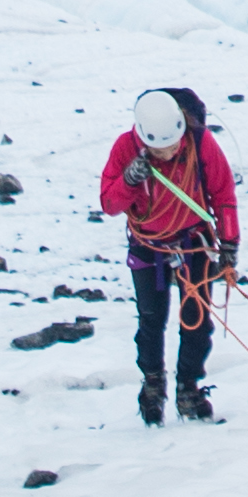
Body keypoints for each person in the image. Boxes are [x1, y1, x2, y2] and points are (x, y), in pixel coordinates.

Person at [94, 84, 239, 426]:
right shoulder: (125, 148)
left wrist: (229, 244)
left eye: (173, 145)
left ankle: (188, 388)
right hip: (148, 245)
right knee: (151, 320)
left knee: (197, 321)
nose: (169, 153)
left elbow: (223, 194)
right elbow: (109, 203)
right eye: (160, 149)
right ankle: (153, 386)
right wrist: (130, 180)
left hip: (194, 242)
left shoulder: (201, 143)